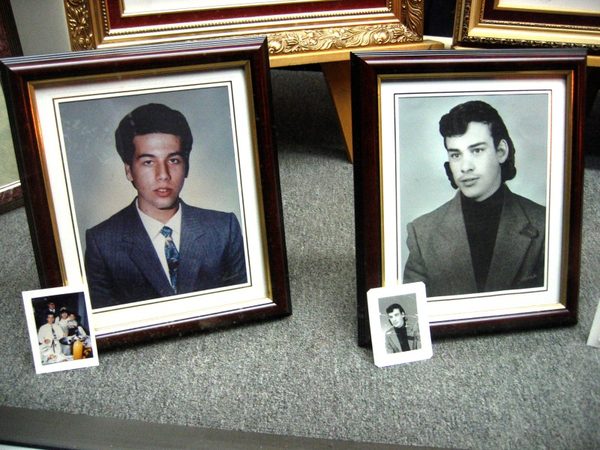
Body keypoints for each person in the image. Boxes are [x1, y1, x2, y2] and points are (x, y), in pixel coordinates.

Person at [85, 103, 247, 309]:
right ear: (129, 171)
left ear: (187, 166)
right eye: (148, 162)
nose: (163, 175)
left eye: (174, 160)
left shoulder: (224, 229)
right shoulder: (102, 242)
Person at [403, 100, 546, 297]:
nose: (465, 167)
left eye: (477, 150)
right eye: (456, 155)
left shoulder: (544, 223)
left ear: (501, 151)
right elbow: (412, 310)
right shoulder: (421, 232)